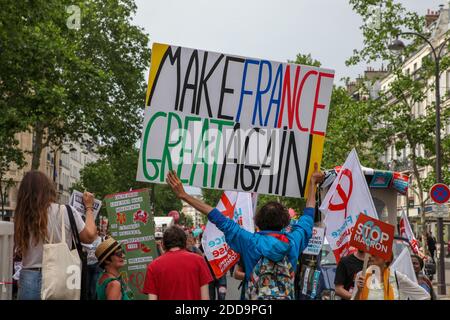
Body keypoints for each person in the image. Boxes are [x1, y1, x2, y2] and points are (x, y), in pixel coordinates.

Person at [165, 163, 324, 300]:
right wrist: (312, 184)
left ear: (257, 221)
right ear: (285, 222)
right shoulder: (294, 241)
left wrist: (184, 195)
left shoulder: (248, 241)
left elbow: (216, 216)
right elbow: (308, 217)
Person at [14, 171, 97, 300]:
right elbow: (90, 236)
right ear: (48, 189)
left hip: (29, 277)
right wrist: (89, 208)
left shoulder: (21, 216)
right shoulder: (64, 211)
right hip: (61, 275)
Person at [143, 226, 212, 300]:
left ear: (163, 244)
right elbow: (205, 297)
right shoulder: (199, 261)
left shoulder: (153, 266)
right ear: (185, 242)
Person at [352, 254, 430, 300]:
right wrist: (359, 291)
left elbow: (424, 296)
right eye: (370, 254)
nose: (370, 257)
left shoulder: (396, 276)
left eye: (374, 254)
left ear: (386, 259)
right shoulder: (362, 276)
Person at [83, 227, 103, 300]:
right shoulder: (86, 239)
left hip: (97, 265)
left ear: (97, 231)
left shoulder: (101, 239)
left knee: (93, 287)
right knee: (86, 287)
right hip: (87, 265)